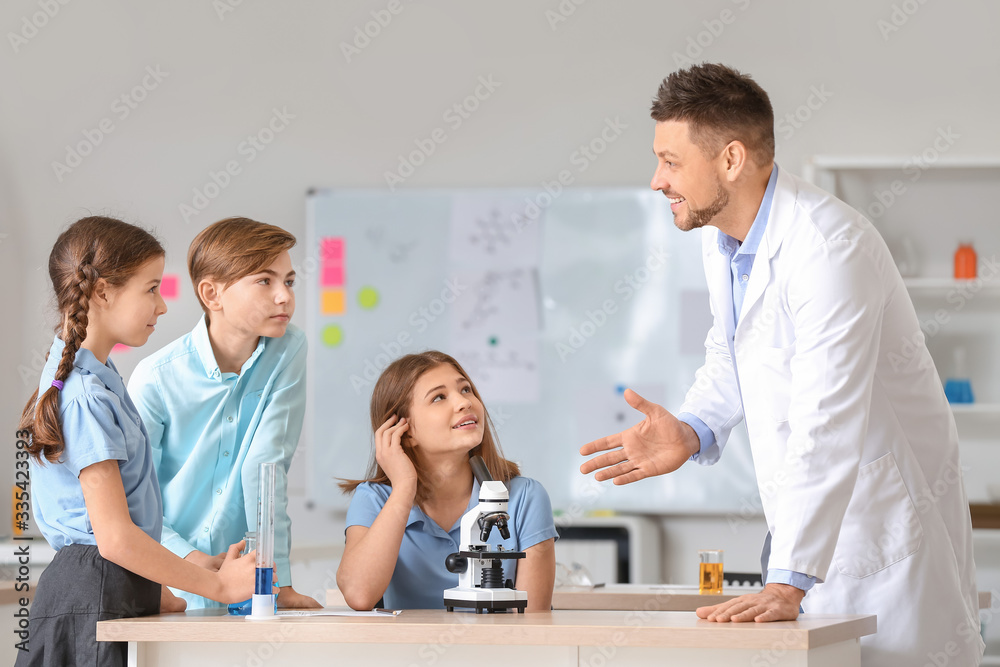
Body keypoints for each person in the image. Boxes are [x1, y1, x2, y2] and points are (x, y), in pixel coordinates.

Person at [579, 64, 982, 666]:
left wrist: (788, 579)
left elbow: (827, 418)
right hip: (816, 542)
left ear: (732, 159)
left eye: (671, 160)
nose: (658, 179)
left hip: (881, 542)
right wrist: (692, 430)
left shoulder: (828, 249)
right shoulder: (730, 244)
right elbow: (733, 352)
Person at [17, 216, 255, 667]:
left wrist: (188, 569)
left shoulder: (95, 382)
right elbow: (114, 539)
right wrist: (220, 587)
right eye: (151, 288)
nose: (162, 306)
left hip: (102, 587)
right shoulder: (86, 395)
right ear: (103, 291)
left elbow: (116, 529)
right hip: (94, 592)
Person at [129, 217, 319, 610]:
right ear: (212, 293)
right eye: (265, 281)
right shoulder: (155, 378)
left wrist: (275, 583)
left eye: (289, 281)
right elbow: (135, 501)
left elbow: (266, 469)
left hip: (249, 593)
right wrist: (193, 562)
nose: (284, 296)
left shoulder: (289, 350)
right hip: (168, 588)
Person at [337, 351, 557, 611]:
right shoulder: (374, 498)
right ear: (403, 432)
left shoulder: (526, 498)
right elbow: (359, 595)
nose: (464, 403)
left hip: (499, 650)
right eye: (439, 397)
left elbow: (532, 622)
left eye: (465, 389)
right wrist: (405, 487)